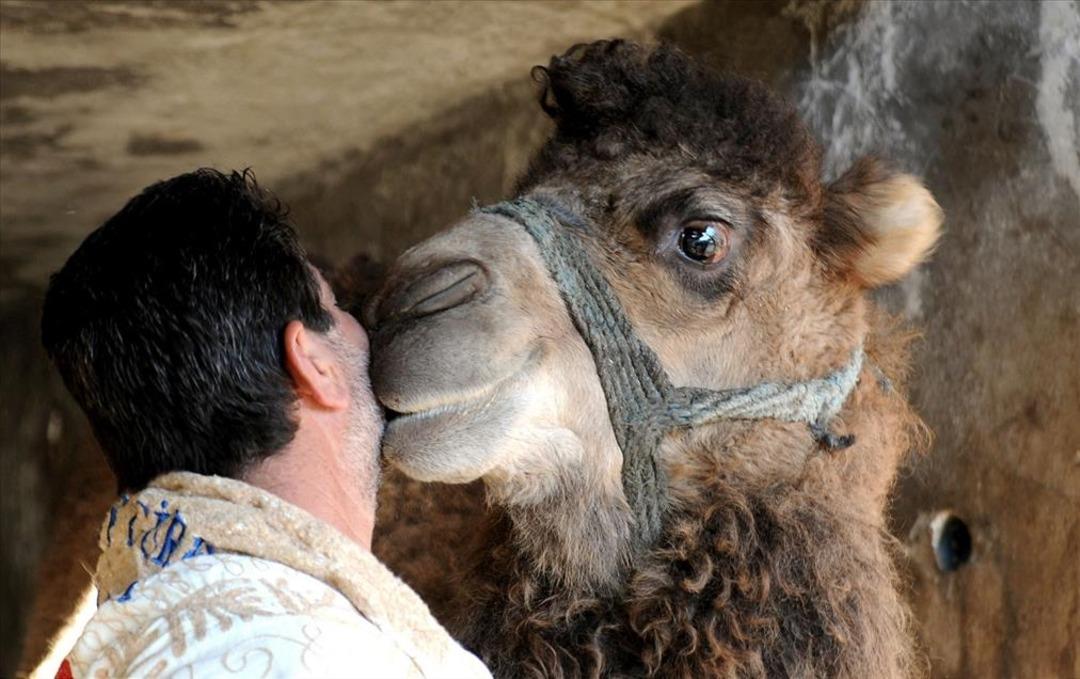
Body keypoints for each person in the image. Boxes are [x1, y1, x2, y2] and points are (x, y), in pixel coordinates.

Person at [41, 169, 491, 679]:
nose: (360, 329)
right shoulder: (305, 656)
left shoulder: (127, 641)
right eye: (336, 307)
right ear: (313, 365)